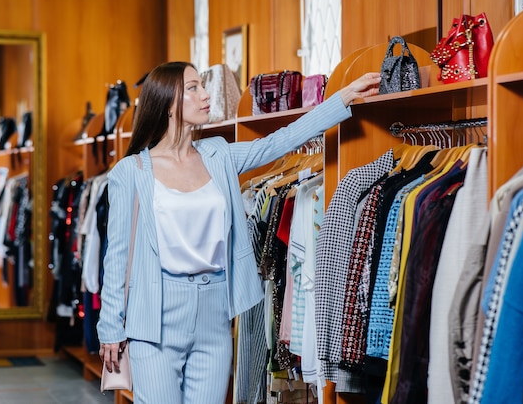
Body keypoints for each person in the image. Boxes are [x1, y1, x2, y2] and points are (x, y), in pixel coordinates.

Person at [97, 61, 381, 403]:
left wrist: (343, 99)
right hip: (155, 313)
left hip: (214, 310)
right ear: (169, 103)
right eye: (193, 88)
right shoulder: (131, 171)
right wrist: (110, 328)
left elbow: (281, 141)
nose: (205, 96)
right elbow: (116, 258)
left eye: (202, 86)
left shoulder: (219, 155)